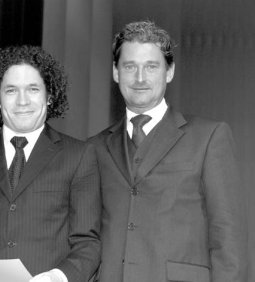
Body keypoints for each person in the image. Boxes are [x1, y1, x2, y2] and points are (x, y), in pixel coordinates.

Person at [88, 20, 247, 282]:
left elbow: (228, 238)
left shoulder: (209, 137)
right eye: (130, 66)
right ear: (116, 72)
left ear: (169, 72)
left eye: (151, 66)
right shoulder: (92, 148)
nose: (140, 78)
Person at [0, 45, 101, 282]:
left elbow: (87, 242)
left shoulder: (79, 156)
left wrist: (57, 278)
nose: (22, 101)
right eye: (11, 90)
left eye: (33, 89)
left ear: (50, 96)